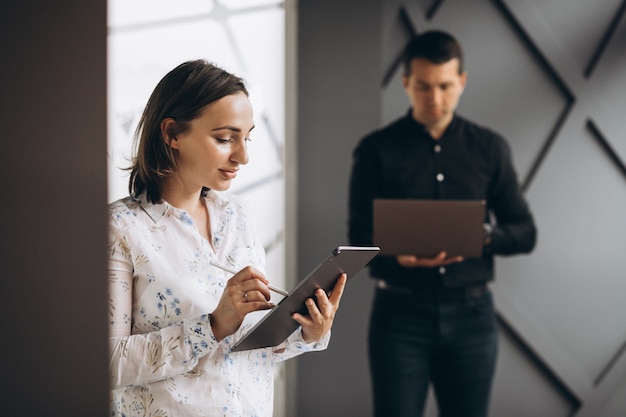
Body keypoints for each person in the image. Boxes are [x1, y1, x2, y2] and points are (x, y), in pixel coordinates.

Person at [108, 59, 347, 417]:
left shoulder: (239, 217)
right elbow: (107, 363)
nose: (243, 156)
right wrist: (212, 326)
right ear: (172, 133)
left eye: (247, 137)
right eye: (224, 138)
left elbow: (243, 346)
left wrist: (306, 333)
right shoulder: (119, 229)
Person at [348, 30, 537, 417]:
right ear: (405, 83)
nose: (435, 99)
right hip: (399, 314)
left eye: (446, 86)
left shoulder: (490, 147)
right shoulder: (375, 149)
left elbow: (525, 232)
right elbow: (359, 239)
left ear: (462, 82)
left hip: (473, 316)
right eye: (424, 86)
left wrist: (481, 236)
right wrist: (398, 259)